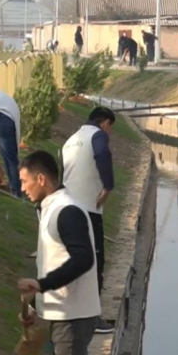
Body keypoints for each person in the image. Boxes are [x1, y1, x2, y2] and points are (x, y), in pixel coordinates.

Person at [17, 150, 100, 355]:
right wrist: (35, 305)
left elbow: (83, 258)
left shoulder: (67, 211)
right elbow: (55, 261)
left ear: (41, 179)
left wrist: (42, 285)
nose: (21, 188)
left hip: (73, 318)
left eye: (24, 181)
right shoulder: (50, 209)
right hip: (63, 313)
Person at [61, 106, 117, 335]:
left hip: (67, 208)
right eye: (110, 128)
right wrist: (108, 186)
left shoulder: (71, 140)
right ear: (105, 123)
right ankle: (92, 319)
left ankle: (71, 314)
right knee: (94, 264)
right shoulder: (98, 135)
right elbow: (102, 154)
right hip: (88, 210)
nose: (109, 133)